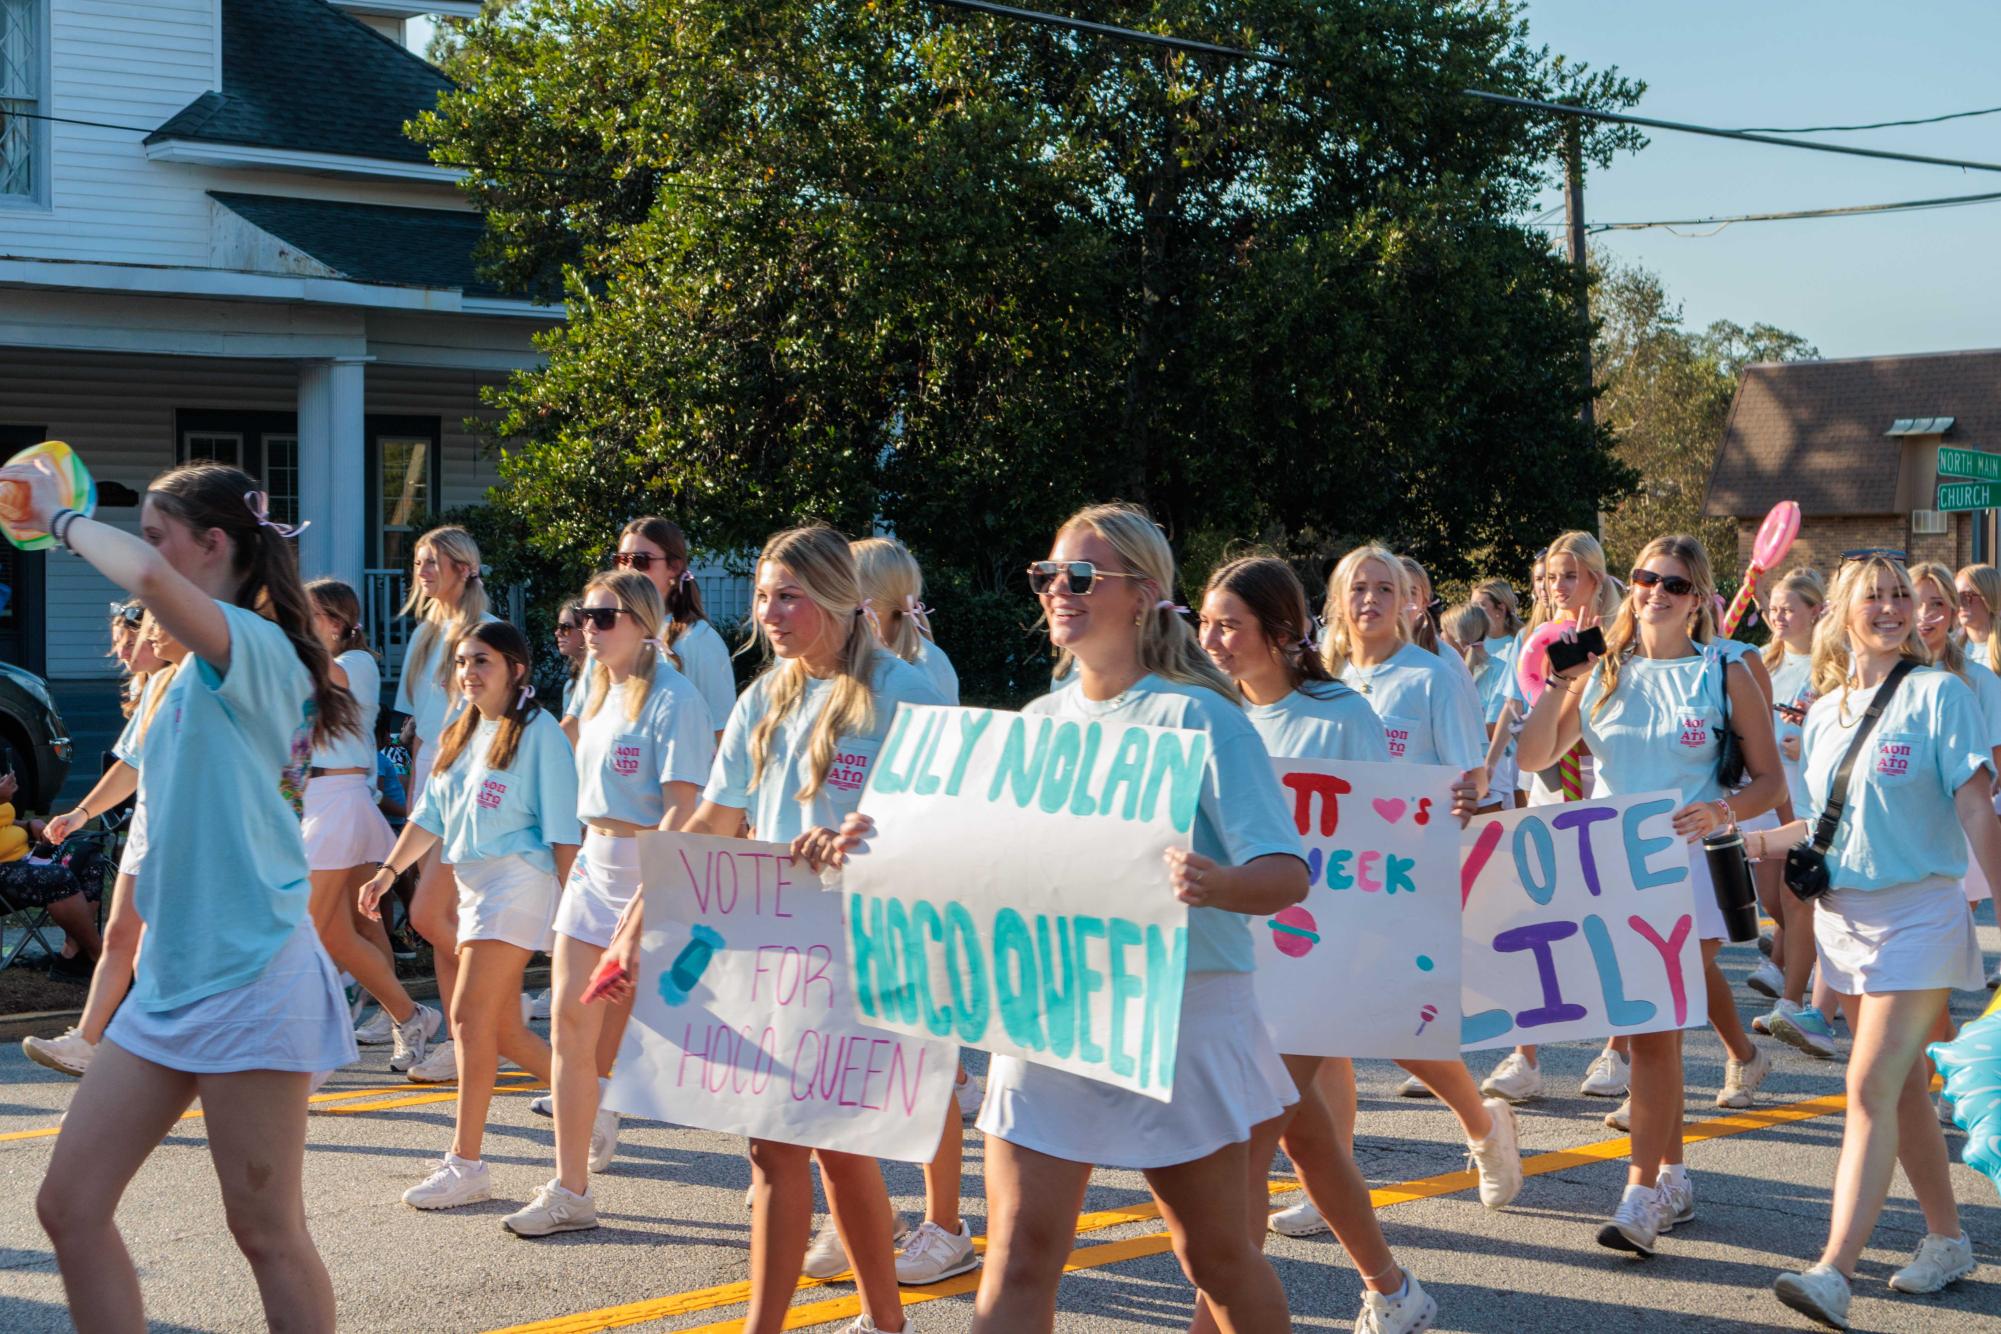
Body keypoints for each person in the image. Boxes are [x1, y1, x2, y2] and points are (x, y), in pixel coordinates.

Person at [9, 460, 359, 1332]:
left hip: (251, 977)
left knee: (266, 1233)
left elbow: (152, 583)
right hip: (170, 983)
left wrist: (60, 521)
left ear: (213, 547)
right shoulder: (180, 678)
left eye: (160, 535)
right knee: (70, 1205)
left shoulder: (262, 650)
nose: (148, 553)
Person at [601, 524, 939, 1334]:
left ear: (838, 598)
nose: (771, 612)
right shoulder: (766, 695)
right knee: (790, 1145)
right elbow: (714, 820)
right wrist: (633, 927)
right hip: (777, 948)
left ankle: (834, 1322)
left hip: (863, 946)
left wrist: (861, 836)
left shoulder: (906, 693)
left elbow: (937, 826)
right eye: (762, 595)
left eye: (787, 595)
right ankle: (876, 1322)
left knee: (821, 1143)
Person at [1743, 555, 1997, 1327]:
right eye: (1875, 597)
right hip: (1841, 923)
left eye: (1903, 597)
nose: (1892, 609)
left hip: (1920, 916)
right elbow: (1822, 826)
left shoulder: (1939, 695)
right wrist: (1740, 841)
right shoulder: (1823, 711)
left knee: (1865, 1088)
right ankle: (1948, 1239)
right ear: (1842, 612)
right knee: (1900, 1088)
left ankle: (1832, 1270)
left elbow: (1978, 810)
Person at [1196, 553, 1444, 1334]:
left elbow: (1381, 841)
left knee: (1247, 1138)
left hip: (1321, 961)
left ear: (1280, 631)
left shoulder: (1341, 714)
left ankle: (1215, 1319)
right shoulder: (1209, 713)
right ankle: (1394, 1290)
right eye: (1203, 623)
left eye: (1228, 626)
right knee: (1305, 1137)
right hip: (1237, 958)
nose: (1212, 641)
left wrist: (1367, 955)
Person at [1517, 533, 1784, 1255]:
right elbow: (1534, 756)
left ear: (1698, 599)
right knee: (1642, 1027)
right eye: (1644, 579)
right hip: (1605, 865)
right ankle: (1672, 1175)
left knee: (1654, 1023)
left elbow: (1769, 781)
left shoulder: (1723, 670)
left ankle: (1639, 1195)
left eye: (1673, 584)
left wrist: (1721, 811)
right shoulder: (1600, 669)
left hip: (1686, 868)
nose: (1655, 594)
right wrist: (1557, 683)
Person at [1311, 544, 1523, 1211]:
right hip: (1325, 876)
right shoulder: (1319, 675)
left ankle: (1484, 1126)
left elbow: (1470, 775)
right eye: (1357, 587)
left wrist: (1465, 794)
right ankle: (1331, 1184)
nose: (1369, 599)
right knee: (1320, 1035)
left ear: (1408, 601)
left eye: (1384, 588)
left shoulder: (1430, 676)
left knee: (1391, 1026)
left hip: (1404, 876)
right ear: (1336, 601)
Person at [506, 570, 715, 1237]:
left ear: (644, 623)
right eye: (585, 617)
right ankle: (571, 1190)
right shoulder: (592, 690)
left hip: (651, 872)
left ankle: (791, 1161)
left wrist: (648, 904)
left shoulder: (675, 699)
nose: (588, 630)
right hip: (594, 866)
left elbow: (685, 811)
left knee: (711, 1041)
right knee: (569, 1025)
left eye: (605, 618)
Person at [361, 621, 577, 1210]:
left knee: (467, 1016)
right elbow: (428, 817)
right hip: (475, 884)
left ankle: (466, 1164)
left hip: (520, 880)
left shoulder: (541, 734)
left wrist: (574, 915)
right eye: (461, 662)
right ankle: (591, 1101)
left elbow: (563, 832)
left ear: (516, 668)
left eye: (481, 661)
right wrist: (385, 873)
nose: (469, 672)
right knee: (499, 1028)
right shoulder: (460, 730)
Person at [848, 533, 977, 1286]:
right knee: (858, 1069)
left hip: (913, 893)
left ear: (876, 602)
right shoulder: (849, 672)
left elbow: (937, 797)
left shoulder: (923, 674)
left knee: (923, 1070)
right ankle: (856, 1216)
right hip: (855, 891)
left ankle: (946, 1225)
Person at [21, 614, 179, 1076]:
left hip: (188, 838)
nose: (138, 641)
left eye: (153, 625)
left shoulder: (213, 681)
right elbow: (129, 766)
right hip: (149, 832)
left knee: (160, 949)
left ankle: (159, 1048)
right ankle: (89, 1041)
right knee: (119, 938)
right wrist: (80, 814)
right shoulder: (157, 686)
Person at [301, 578, 439, 1072]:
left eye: (309, 612)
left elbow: (328, 676)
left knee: (322, 927)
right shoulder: (311, 669)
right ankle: (404, 1016)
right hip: (321, 799)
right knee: (361, 923)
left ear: (337, 623)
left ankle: (389, 1018)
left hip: (340, 798)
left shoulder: (354, 663)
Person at [395, 525, 499, 1084]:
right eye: (418, 561)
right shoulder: (423, 635)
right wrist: (414, 788)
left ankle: (482, 1026)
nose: (422, 570)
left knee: (438, 914)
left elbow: (495, 720)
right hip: (429, 785)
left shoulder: (485, 631)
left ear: (463, 566)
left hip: (469, 785)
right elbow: (417, 729)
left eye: (432, 561)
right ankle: (468, 1032)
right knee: (440, 918)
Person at [1754, 568, 1835, 1058]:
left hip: (1808, 800)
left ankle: (1793, 1001)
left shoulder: (1829, 667)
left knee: (1797, 899)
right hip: (1765, 798)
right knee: (1775, 903)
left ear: (1815, 612)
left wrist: (1803, 743)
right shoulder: (1761, 662)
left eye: (1789, 608)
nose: (1779, 617)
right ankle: (1820, 981)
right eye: (1774, 608)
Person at [564, 516, 737, 739]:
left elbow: (721, 733)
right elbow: (575, 724)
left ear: (674, 567)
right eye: (621, 559)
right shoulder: (606, 632)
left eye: (640, 560)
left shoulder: (698, 639)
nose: (628, 569)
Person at [1955, 562, 2001, 667]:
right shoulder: (1948, 648)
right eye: (1955, 596)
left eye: (1967, 595)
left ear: (1989, 597)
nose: (1960, 603)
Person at [554, 598, 588, 714]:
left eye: (566, 627)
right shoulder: (570, 686)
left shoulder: (604, 683)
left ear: (586, 631)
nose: (557, 633)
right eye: (559, 627)